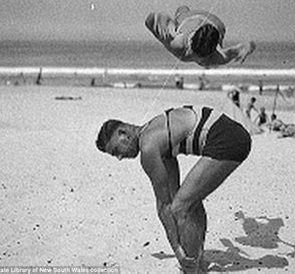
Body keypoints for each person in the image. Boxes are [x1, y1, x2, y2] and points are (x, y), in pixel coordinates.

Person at [96, 105, 251, 273]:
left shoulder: (148, 147)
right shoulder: (155, 133)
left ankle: (191, 269)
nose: (119, 157)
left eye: (115, 151)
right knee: (189, 200)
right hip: (232, 133)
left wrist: (177, 250)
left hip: (228, 139)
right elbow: (170, 196)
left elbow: (165, 205)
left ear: (123, 133)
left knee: (181, 208)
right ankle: (197, 261)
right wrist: (178, 245)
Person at [145, 5, 255, 68]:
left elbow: (241, 48)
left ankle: (182, 12)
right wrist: (162, 21)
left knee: (207, 64)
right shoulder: (178, 45)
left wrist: (249, 47)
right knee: (181, 12)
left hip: (216, 24)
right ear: (190, 45)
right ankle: (182, 11)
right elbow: (150, 19)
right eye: (193, 53)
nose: (193, 57)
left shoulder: (217, 57)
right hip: (190, 18)